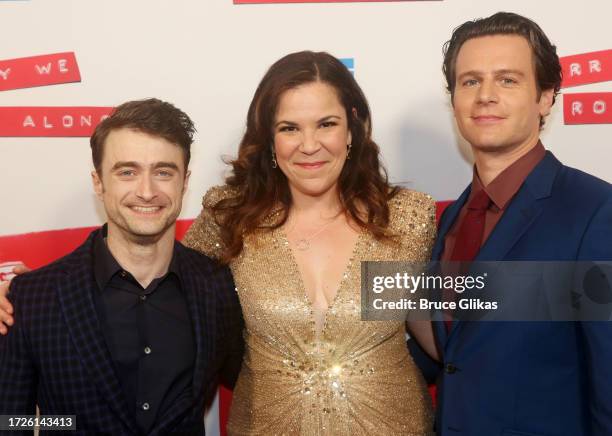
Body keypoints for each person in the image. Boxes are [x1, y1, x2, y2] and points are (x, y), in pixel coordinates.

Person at [179, 50, 438, 435]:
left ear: (351, 129)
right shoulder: (229, 217)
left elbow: (445, 338)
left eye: (326, 124)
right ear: (268, 137)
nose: (310, 145)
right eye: (289, 128)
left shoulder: (406, 220)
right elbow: (177, 321)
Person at [0, 99, 244, 435]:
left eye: (163, 172)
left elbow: (261, 378)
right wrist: (68, 426)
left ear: (184, 182)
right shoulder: (30, 298)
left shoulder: (216, 285)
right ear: (98, 182)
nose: (146, 191)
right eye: (127, 172)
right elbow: (10, 422)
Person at [431, 12, 612, 436]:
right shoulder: (453, 218)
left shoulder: (596, 212)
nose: (485, 96)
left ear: (546, 97)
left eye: (508, 80)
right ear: (454, 99)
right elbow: (452, 352)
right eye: (470, 81)